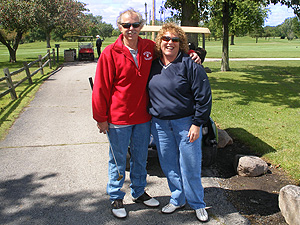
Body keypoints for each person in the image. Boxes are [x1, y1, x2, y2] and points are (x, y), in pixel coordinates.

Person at [92, 8, 159, 219]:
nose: (131, 29)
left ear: (141, 26)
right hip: (118, 119)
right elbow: (100, 88)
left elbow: (172, 50)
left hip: (142, 117)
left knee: (140, 158)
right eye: (126, 25)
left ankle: (138, 192)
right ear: (119, 27)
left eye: (135, 25)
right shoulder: (110, 52)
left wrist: (194, 54)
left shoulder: (149, 47)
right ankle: (115, 195)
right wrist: (101, 118)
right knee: (118, 160)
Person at [147, 23, 212, 222]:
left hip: (185, 123)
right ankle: (177, 198)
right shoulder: (153, 65)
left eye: (175, 39)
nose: (170, 43)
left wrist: (196, 123)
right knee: (169, 165)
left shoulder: (190, 64)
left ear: (181, 43)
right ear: (159, 42)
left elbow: (204, 97)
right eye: (166, 39)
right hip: (159, 124)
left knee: (190, 165)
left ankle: (198, 203)